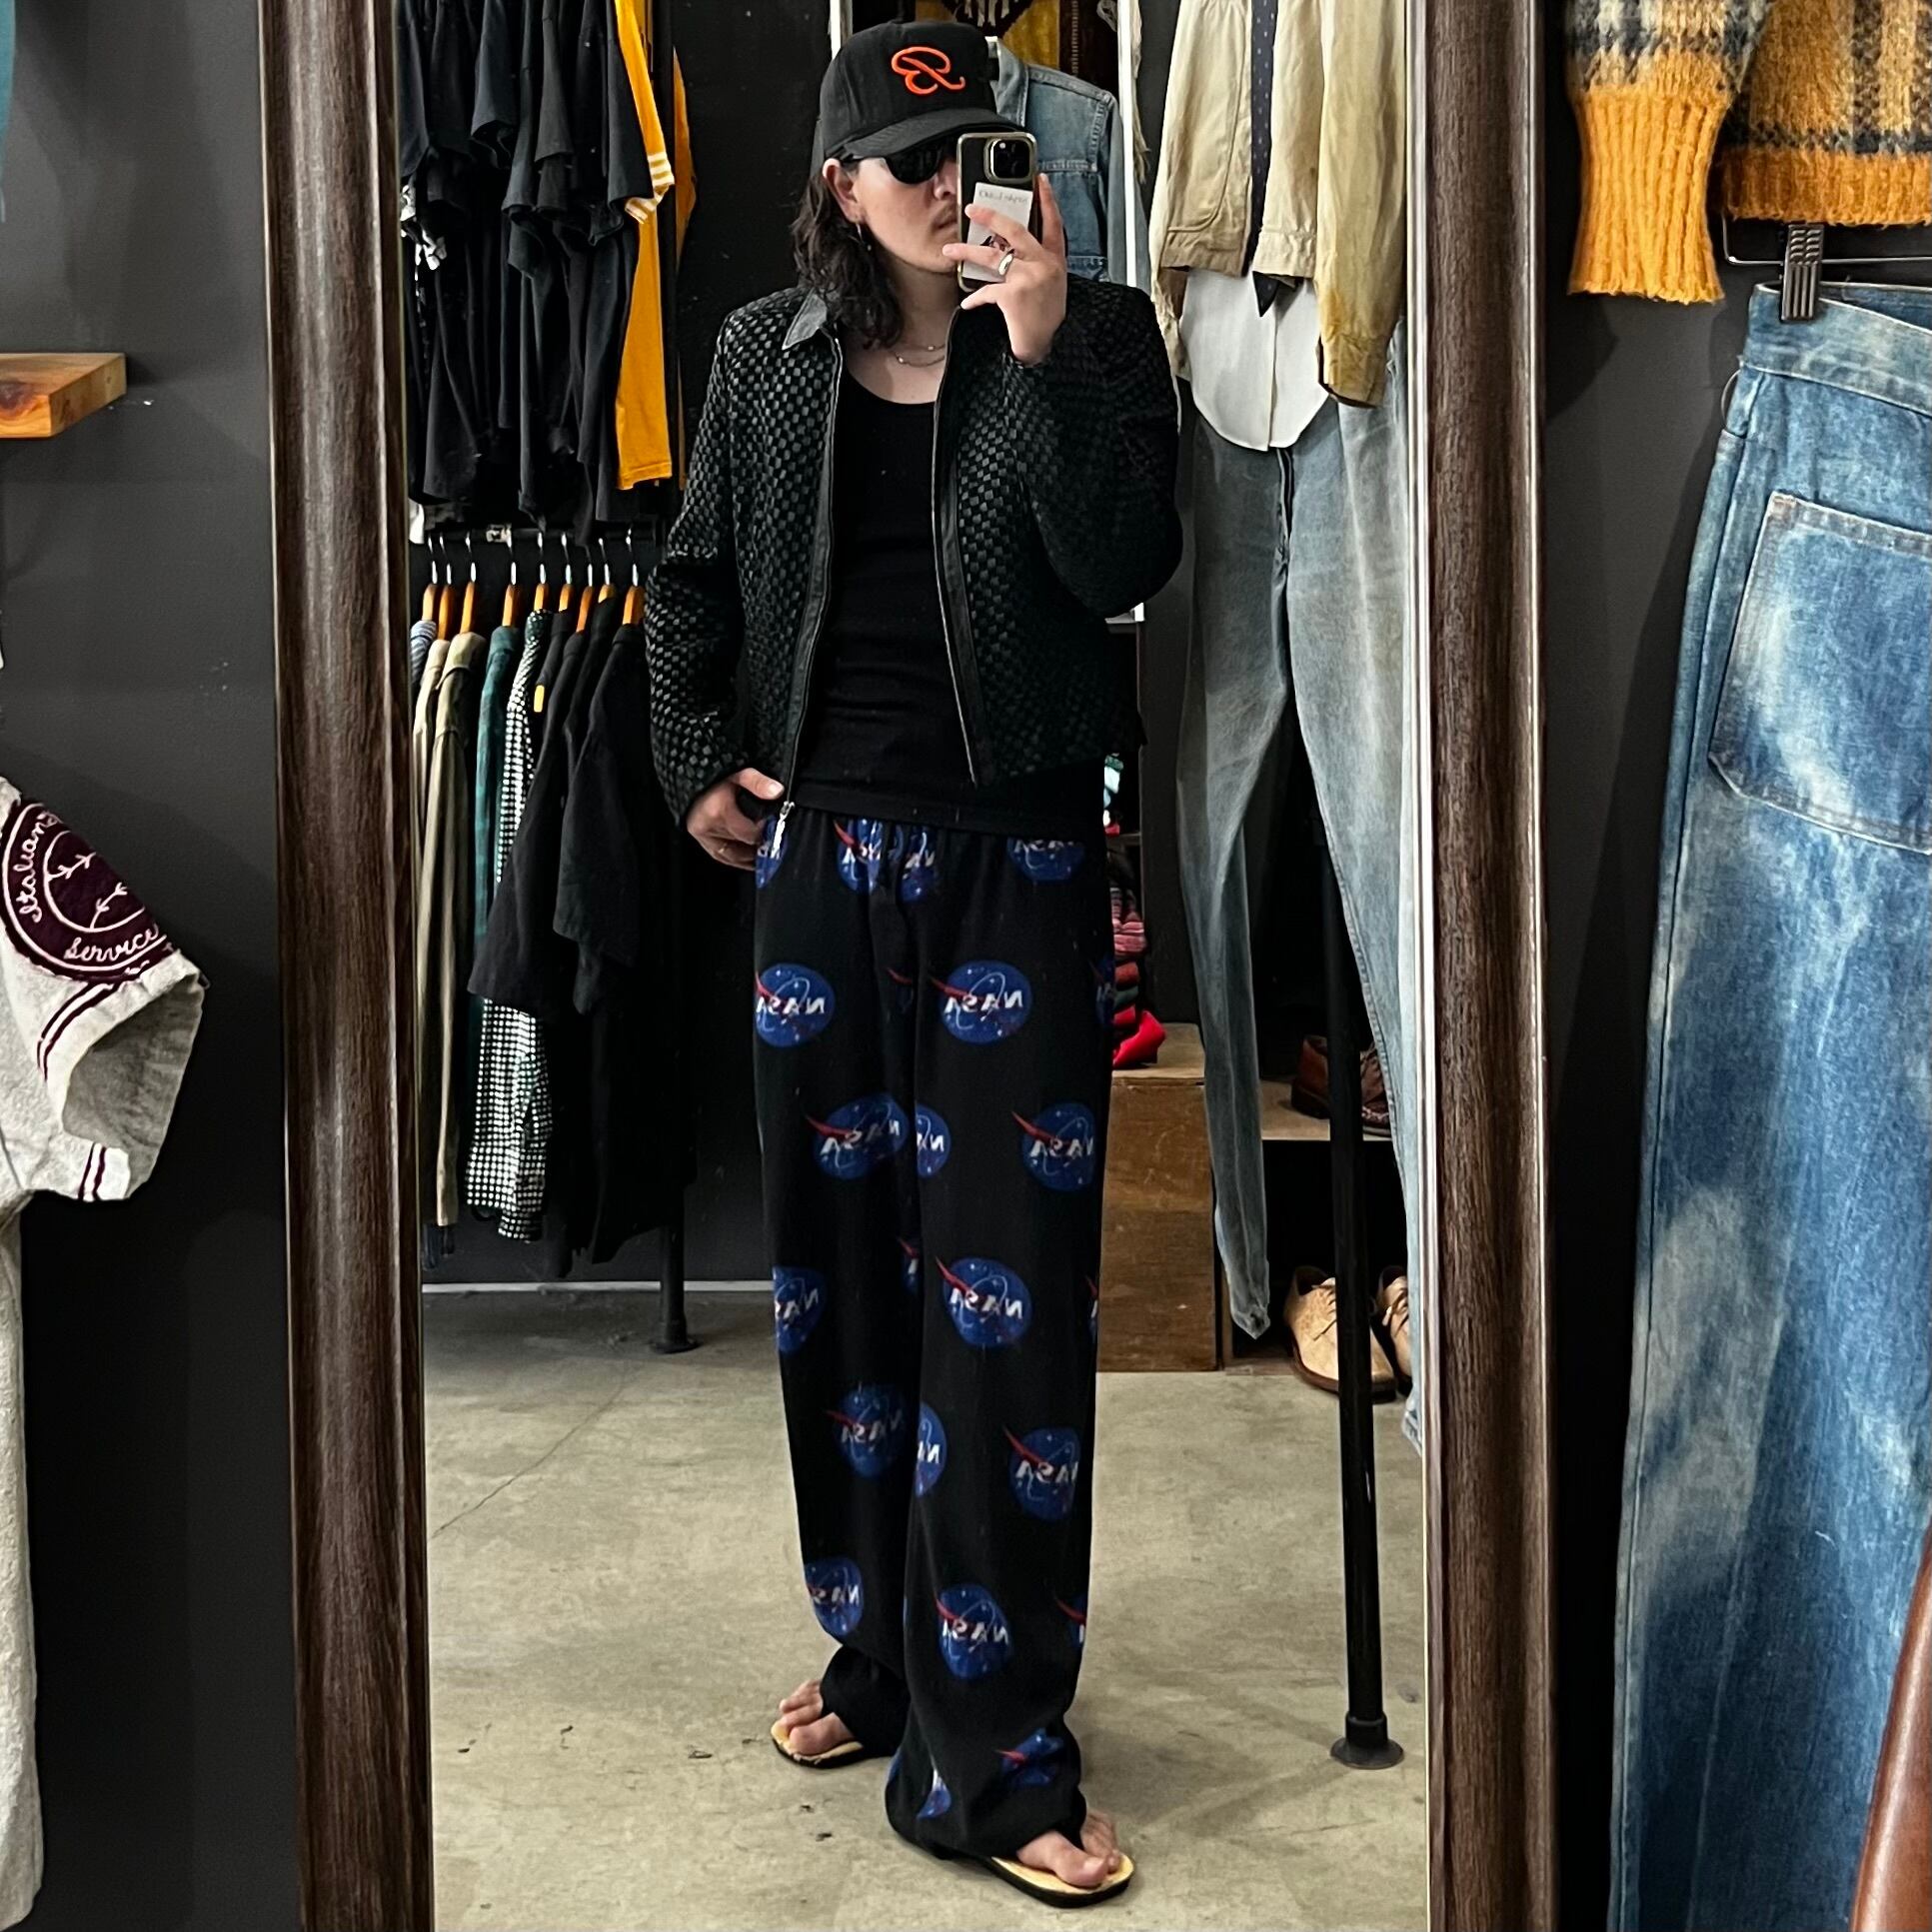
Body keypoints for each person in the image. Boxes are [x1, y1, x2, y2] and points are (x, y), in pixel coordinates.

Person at [645, 18, 1180, 1906]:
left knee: (1005, 1316)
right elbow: (691, 585)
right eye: (914, 164)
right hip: (820, 870)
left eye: (976, 154)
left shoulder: (1098, 338)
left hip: (1012, 864)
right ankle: (882, 1649)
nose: (955, 191)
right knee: (838, 1298)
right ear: (838, 186)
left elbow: (1121, 567)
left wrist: (1035, 348)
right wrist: (693, 761)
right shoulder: (762, 358)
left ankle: (1001, 1750)